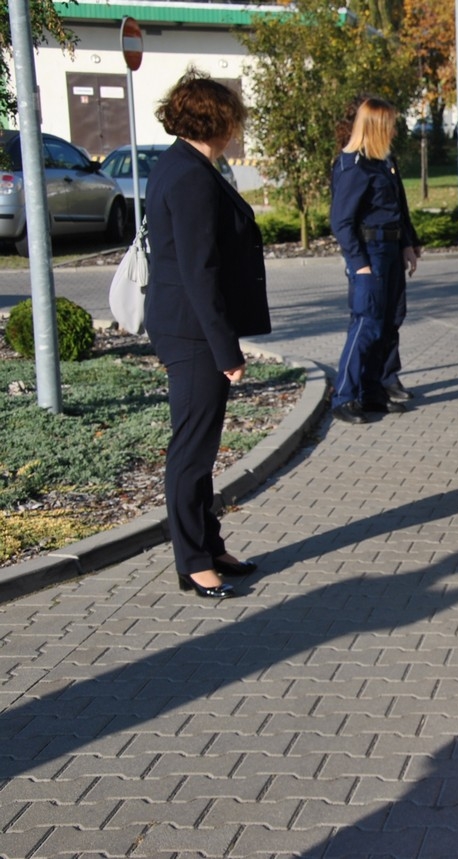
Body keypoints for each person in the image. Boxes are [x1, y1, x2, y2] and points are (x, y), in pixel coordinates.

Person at [144, 69, 269, 599]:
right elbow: (200, 270)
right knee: (191, 452)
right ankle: (193, 560)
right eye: (234, 118)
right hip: (192, 332)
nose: (238, 127)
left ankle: (208, 544)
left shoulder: (183, 163)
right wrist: (226, 347)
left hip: (187, 325)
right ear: (216, 120)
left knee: (201, 447)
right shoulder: (191, 175)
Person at [330, 98, 420, 424]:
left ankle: (372, 393)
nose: (395, 129)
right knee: (366, 325)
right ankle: (344, 396)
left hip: (392, 250)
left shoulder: (383, 161)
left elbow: (399, 207)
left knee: (389, 322)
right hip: (370, 253)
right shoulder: (353, 166)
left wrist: (408, 245)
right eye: (391, 123)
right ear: (376, 126)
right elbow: (341, 221)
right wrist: (359, 264)